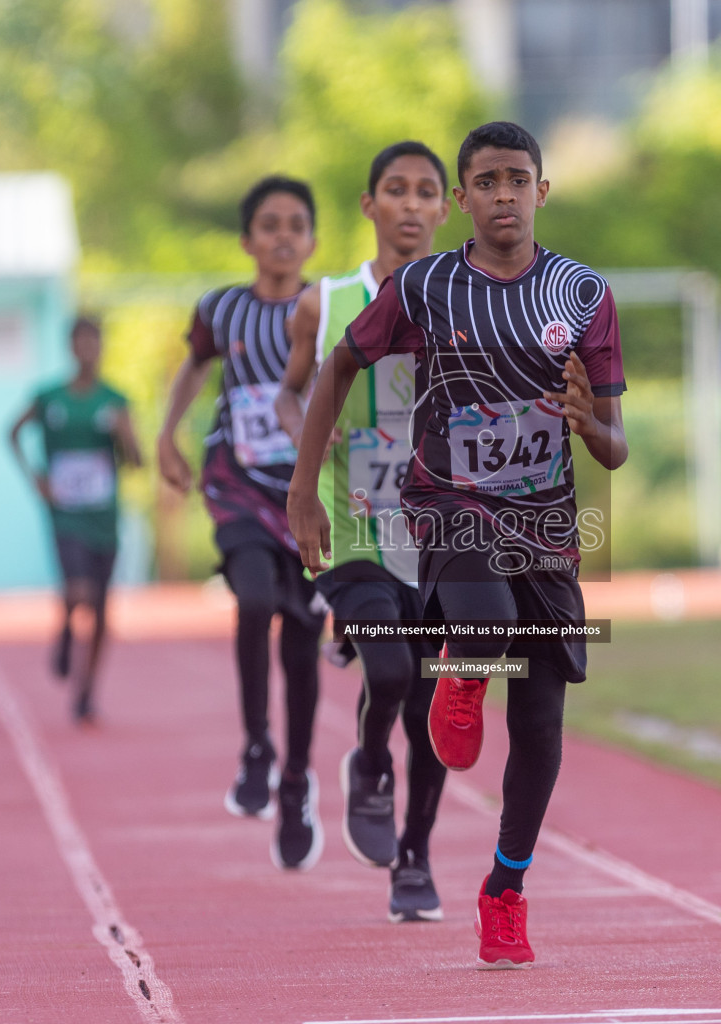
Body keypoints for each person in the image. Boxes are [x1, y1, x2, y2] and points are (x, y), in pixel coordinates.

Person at [289, 122, 628, 968]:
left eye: (518, 178)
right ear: (463, 198)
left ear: (540, 191)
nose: (503, 194)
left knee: (543, 720)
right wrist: (302, 489)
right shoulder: (427, 287)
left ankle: (504, 888)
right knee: (479, 623)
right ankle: (462, 675)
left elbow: (615, 443)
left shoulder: (583, 296)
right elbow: (338, 365)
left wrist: (591, 425)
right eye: (486, 181)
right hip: (447, 505)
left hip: (546, 524)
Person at [275, 141, 452, 922]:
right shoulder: (325, 300)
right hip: (350, 525)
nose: (410, 205)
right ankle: (371, 763)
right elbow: (289, 395)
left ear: (445, 209)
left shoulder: (468, 298)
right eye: (395, 190)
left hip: (442, 533)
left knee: (434, 704)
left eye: (425, 192)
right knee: (388, 675)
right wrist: (305, 461)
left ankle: (413, 861)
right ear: (368, 204)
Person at [157, 176, 327, 872]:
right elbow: (192, 368)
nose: (282, 236)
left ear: (313, 239)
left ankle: (294, 783)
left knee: (303, 637)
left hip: (310, 492)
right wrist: (167, 436)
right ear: (247, 240)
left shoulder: (331, 307)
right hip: (235, 483)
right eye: (268, 225)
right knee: (254, 600)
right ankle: (257, 743)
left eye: (295, 224)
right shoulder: (221, 309)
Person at [8, 315, 142, 726]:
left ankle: (86, 691)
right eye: (80, 343)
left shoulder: (115, 400)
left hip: (103, 514)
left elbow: (137, 462)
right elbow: (12, 433)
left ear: (101, 348)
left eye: (94, 343)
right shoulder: (49, 398)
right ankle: (67, 624)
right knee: (78, 589)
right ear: (70, 347)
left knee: (101, 609)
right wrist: (36, 478)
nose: (88, 350)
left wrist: (124, 433)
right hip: (65, 513)